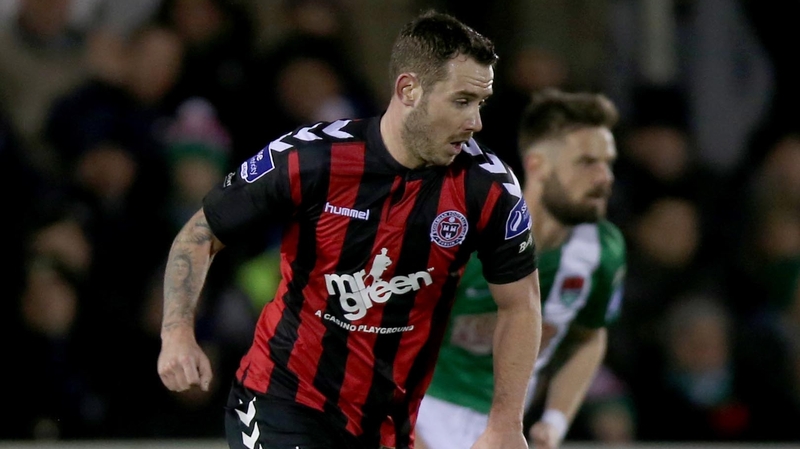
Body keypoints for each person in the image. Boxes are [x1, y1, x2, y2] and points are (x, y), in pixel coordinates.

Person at [156, 10, 542, 449]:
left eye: (480, 103)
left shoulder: (489, 189)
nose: (475, 122)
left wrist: (505, 423)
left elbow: (521, 304)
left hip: (385, 424)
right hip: (281, 399)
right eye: (461, 101)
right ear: (408, 90)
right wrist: (177, 333)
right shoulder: (312, 158)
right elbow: (201, 232)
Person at [415, 88, 626, 449]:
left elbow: (590, 337)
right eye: (587, 162)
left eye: (608, 163)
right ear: (537, 165)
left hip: (507, 428)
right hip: (423, 414)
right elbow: (387, 332)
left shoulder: (601, 251)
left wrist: (554, 422)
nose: (604, 178)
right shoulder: (469, 233)